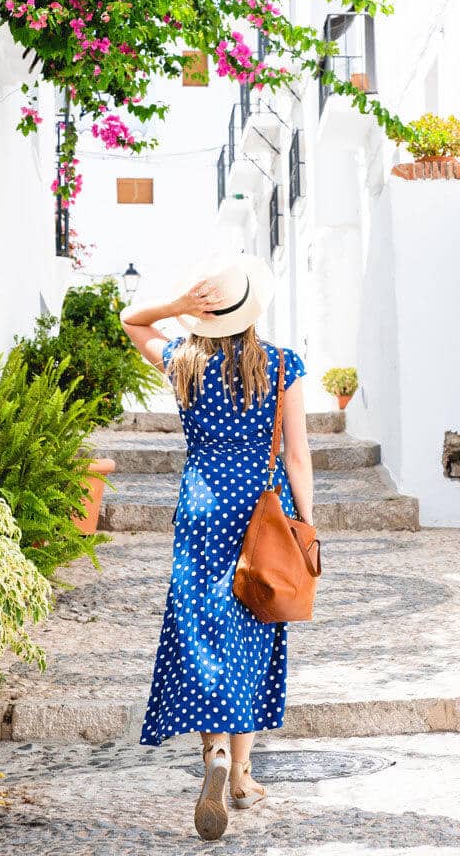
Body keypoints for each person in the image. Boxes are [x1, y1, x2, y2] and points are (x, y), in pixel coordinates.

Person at [119, 254, 313, 842]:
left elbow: (131, 321)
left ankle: (214, 757)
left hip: (203, 505)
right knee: (256, 622)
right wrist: (308, 527)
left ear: (206, 316)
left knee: (203, 626)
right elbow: (298, 455)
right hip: (261, 509)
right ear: (252, 311)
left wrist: (176, 308)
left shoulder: (182, 361)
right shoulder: (282, 366)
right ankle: (243, 774)